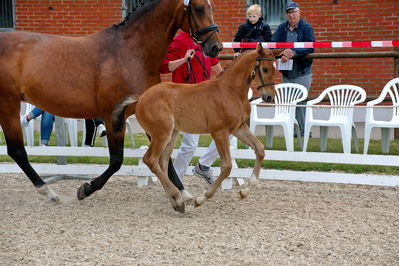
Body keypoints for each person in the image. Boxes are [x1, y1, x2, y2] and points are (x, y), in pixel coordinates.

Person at [159, 31, 223, 184]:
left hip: (206, 96)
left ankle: (204, 165)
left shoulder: (207, 40)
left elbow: (218, 69)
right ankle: (176, 181)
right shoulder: (179, 41)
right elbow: (164, 67)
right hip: (185, 98)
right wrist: (183, 59)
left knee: (229, 131)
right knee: (190, 145)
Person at [271, 1, 315, 137]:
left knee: (301, 101)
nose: (291, 15)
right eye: (289, 12)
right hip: (287, 72)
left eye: (294, 12)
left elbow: (310, 47)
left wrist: (293, 52)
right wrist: (282, 52)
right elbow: (272, 45)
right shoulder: (281, 28)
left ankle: (304, 131)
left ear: (299, 12)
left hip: (302, 71)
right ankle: (294, 131)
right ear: (286, 15)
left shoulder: (306, 27)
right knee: (289, 102)